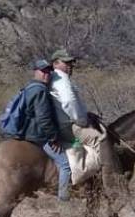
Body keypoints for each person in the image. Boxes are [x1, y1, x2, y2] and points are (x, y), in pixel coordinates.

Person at [49, 49, 125, 202]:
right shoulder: (61, 78)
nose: (70, 65)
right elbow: (70, 103)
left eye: (71, 62)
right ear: (56, 63)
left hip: (65, 122)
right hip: (69, 126)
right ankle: (110, 186)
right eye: (66, 62)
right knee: (101, 138)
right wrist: (82, 121)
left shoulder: (56, 78)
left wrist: (87, 114)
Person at [18, 60, 69, 201]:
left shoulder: (29, 87)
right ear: (36, 71)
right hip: (38, 136)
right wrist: (53, 138)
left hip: (28, 132)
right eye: (43, 71)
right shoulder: (40, 90)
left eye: (48, 71)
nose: (46, 74)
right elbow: (44, 119)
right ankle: (63, 199)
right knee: (65, 164)